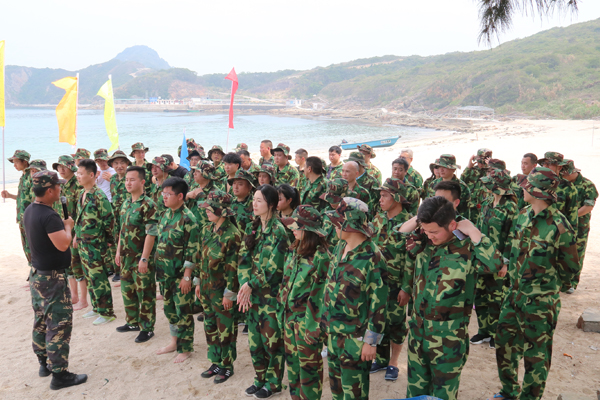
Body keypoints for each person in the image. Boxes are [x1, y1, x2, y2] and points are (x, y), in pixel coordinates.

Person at [399, 196, 502, 400]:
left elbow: (495, 266)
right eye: (426, 230)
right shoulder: (422, 241)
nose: (430, 236)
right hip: (418, 334)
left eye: (435, 231)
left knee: (443, 395)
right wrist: (419, 220)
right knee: (415, 394)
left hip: (448, 339)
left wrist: (474, 232)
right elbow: (393, 240)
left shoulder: (468, 248)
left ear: (452, 225)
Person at [491, 168, 579, 400]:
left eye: (527, 185)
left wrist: (544, 287)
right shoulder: (523, 214)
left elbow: (570, 269)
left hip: (540, 303)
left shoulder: (560, 226)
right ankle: (509, 391)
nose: (522, 188)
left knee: (536, 356)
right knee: (504, 345)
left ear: (538, 192)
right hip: (514, 296)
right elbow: (513, 250)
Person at [23, 170, 88, 390]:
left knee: (41, 320)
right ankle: (59, 374)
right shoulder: (49, 216)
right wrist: (67, 226)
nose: (61, 188)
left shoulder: (31, 210)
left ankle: (43, 363)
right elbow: (63, 244)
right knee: (58, 324)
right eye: (58, 186)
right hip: (52, 278)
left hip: (38, 275)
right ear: (50, 190)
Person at [322, 198, 387, 400]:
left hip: (355, 340)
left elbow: (379, 303)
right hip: (334, 334)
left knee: (354, 394)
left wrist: (371, 342)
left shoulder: (372, 257)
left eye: (337, 223)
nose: (333, 226)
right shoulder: (339, 247)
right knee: (337, 390)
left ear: (348, 225)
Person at [238, 184, 291, 399]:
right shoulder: (252, 227)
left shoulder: (279, 231)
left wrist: (250, 284)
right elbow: (243, 259)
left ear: (271, 205)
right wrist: (244, 286)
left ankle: (273, 383)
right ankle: (259, 379)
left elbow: (274, 268)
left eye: (259, 200)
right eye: (253, 200)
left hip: (270, 298)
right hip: (252, 296)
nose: (254, 204)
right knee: (255, 342)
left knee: (272, 343)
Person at [278, 205, 332, 400]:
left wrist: (313, 329)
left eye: (296, 225)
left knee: (309, 370)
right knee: (292, 367)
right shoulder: (295, 248)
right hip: (290, 318)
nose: (292, 228)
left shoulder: (322, 256)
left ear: (308, 229)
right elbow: (286, 283)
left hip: (308, 324)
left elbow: (321, 297)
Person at [196, 190, 243, 384]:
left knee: (226, 329)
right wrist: (198, 282)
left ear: (221, 211)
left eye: (210, 208)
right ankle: (215, 361)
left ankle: (226, 365)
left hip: (222, 291)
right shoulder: (208, 229)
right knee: (210, 326)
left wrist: (229, 293)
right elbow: (201, 257)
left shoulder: (233, 235)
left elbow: (233, 268)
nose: (206, 211)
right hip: (207, 289)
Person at [370, 178, 413, 382]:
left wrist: (406, 287)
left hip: (396, 284)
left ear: (396, 197)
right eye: (380, 195)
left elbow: (411, 259)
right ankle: (379, 358)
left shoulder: (409, 222)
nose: (380, 199)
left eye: (384, 195)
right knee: (377, 319)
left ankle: (393, 363)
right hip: (377, 283)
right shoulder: (378, 218)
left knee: (396, 324)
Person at [154, 177, 199, 363]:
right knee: (170, 310)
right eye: (163, 194)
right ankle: (174, 342)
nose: (164, 197)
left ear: (180, 196)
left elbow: (192, 249)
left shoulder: (189, 219)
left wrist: (187, 277)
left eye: (168, 194)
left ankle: (186, 348)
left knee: (183, 312)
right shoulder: (166, 214)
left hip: (180, 275)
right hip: (165, 274)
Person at [471, 169, 516, 348]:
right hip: (483, 258)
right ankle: (484, 331)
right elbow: (480, 230)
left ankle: (496, 333)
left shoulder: (511, 207)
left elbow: (512, 237)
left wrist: (505, 262)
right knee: (480, 296)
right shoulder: (488, 201)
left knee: (497, 299)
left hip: (499, 261)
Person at [114, 166, 158, 343]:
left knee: (145, 293)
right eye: (126, 180)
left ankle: (147, 328)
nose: (128, 183)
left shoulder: (148, 204)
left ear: (142, 182)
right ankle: (132, 322)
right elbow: (122, 230)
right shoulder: (126, 203)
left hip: (140, 257)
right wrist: (118, 251)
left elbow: (151, 233)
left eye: (132, 180)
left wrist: (145, 258)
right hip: (126, 257)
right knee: (127, 291)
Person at [73, 159, 117, 325]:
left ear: (91, 175)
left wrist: (108, 242)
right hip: (84, 244)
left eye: (81, 173)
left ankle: (107, 312)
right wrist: (77, 237)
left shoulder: (99, 196)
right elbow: (79, 219)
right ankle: (97, 307)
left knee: (99, 278)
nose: (78, 176)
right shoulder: (82, 194)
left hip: (96, 245)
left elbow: (109, 220)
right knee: (90, 277)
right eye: (77, 173)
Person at [52, 155, 86, 309]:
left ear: (71, 167)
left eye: (63, 166)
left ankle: (83, 300)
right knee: (68, 266)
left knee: (78, 265)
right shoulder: (62, 186)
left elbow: (81, 213)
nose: (61, 170)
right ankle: (74, 295)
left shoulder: (78, 187)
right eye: (58, 167)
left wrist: (77, 234)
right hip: (64, 230)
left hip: (75, 231)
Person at [561, 159, 597, 290]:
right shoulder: (562, 184)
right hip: (562, 225)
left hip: (579, 226)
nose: (562, 177)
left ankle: (572, 283)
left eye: (564, 174)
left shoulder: (587, 185)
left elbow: (588, 207)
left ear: (572, 172)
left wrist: (571, 216)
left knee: (576, 253)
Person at [538, 152, 579, 247]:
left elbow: (572, 217)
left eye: (549, 164)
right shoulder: (535, 183)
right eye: (544, 163)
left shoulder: (568, 188)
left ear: (559, 167)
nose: (546, 166)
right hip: (536, 235)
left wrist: (571, 243)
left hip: (556, 238)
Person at [2, 150, 33, 268]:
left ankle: (35, 272)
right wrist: (9, 196)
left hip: (30, 218)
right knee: (26, 246)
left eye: (16, 162)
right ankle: (32, 271)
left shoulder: (31, 176)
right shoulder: (23, 176)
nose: (14, 165)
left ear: (24, 162)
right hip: (22, 217)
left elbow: (34, 199)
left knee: (32, 246)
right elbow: (23, 199)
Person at [108, 150, 132, 283]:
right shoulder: (112, 179)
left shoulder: (131, 177)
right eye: (116, 163)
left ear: (127, 163)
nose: (119, 166)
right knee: (115, 242)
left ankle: (128, 270)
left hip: (129, 215)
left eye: (122, 162)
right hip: (116, 215)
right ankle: (118, 271)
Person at [427, 154, 472, 219]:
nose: (441, 170)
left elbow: (465, 212)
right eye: (439, 167)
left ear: (453, 169)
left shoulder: (462, 187)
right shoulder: (433, 184)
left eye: (445, 167)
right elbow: (428, 206)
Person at [461, 148, 492, 222]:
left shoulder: (492, 172)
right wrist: (468, 167)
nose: (480, 164)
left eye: (483, 162)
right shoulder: (471, 170)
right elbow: (461, 182)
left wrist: (490, 168)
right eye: (479, 162)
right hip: (471, 207)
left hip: (484, 207)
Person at [229, 169, 257, 235]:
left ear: (250, 187)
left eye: (240, 184)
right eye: (234, 183)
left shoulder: (254, 205)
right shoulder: (230, 202)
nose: (235, 187)